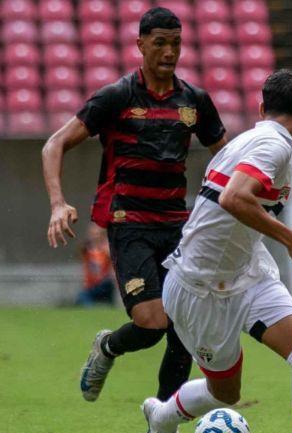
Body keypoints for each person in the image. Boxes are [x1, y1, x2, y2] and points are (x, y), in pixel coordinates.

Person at [41, 7, 228, 405]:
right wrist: (58, 204)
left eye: (176, 43)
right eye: (159, 42)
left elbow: (225, 156)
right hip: (129, 223)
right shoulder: (116, 96)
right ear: (140, 44)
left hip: (178, 225)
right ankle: (107, 347)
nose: (169, 51)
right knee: (152, 322)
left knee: (184, 331)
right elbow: (53, 144)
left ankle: (163, 426)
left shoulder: (195, 101)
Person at [141, 69, 292, 433]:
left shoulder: (255, 138)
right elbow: (234, 197)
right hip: (200, 286)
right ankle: (162, 418)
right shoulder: (272, 146)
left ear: (262, 107)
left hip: (247, 271)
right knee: (225, 392)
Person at [74, 224, 115, 306]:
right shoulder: (86, 250)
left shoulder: (106, 250)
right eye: (92, 234)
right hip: (91, 285)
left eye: (97, 234)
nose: (95, 236)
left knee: (107, 285)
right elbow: (78, 252)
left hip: (104, 284)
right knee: (81, 297)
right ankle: (90, 308)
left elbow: (113, 258)